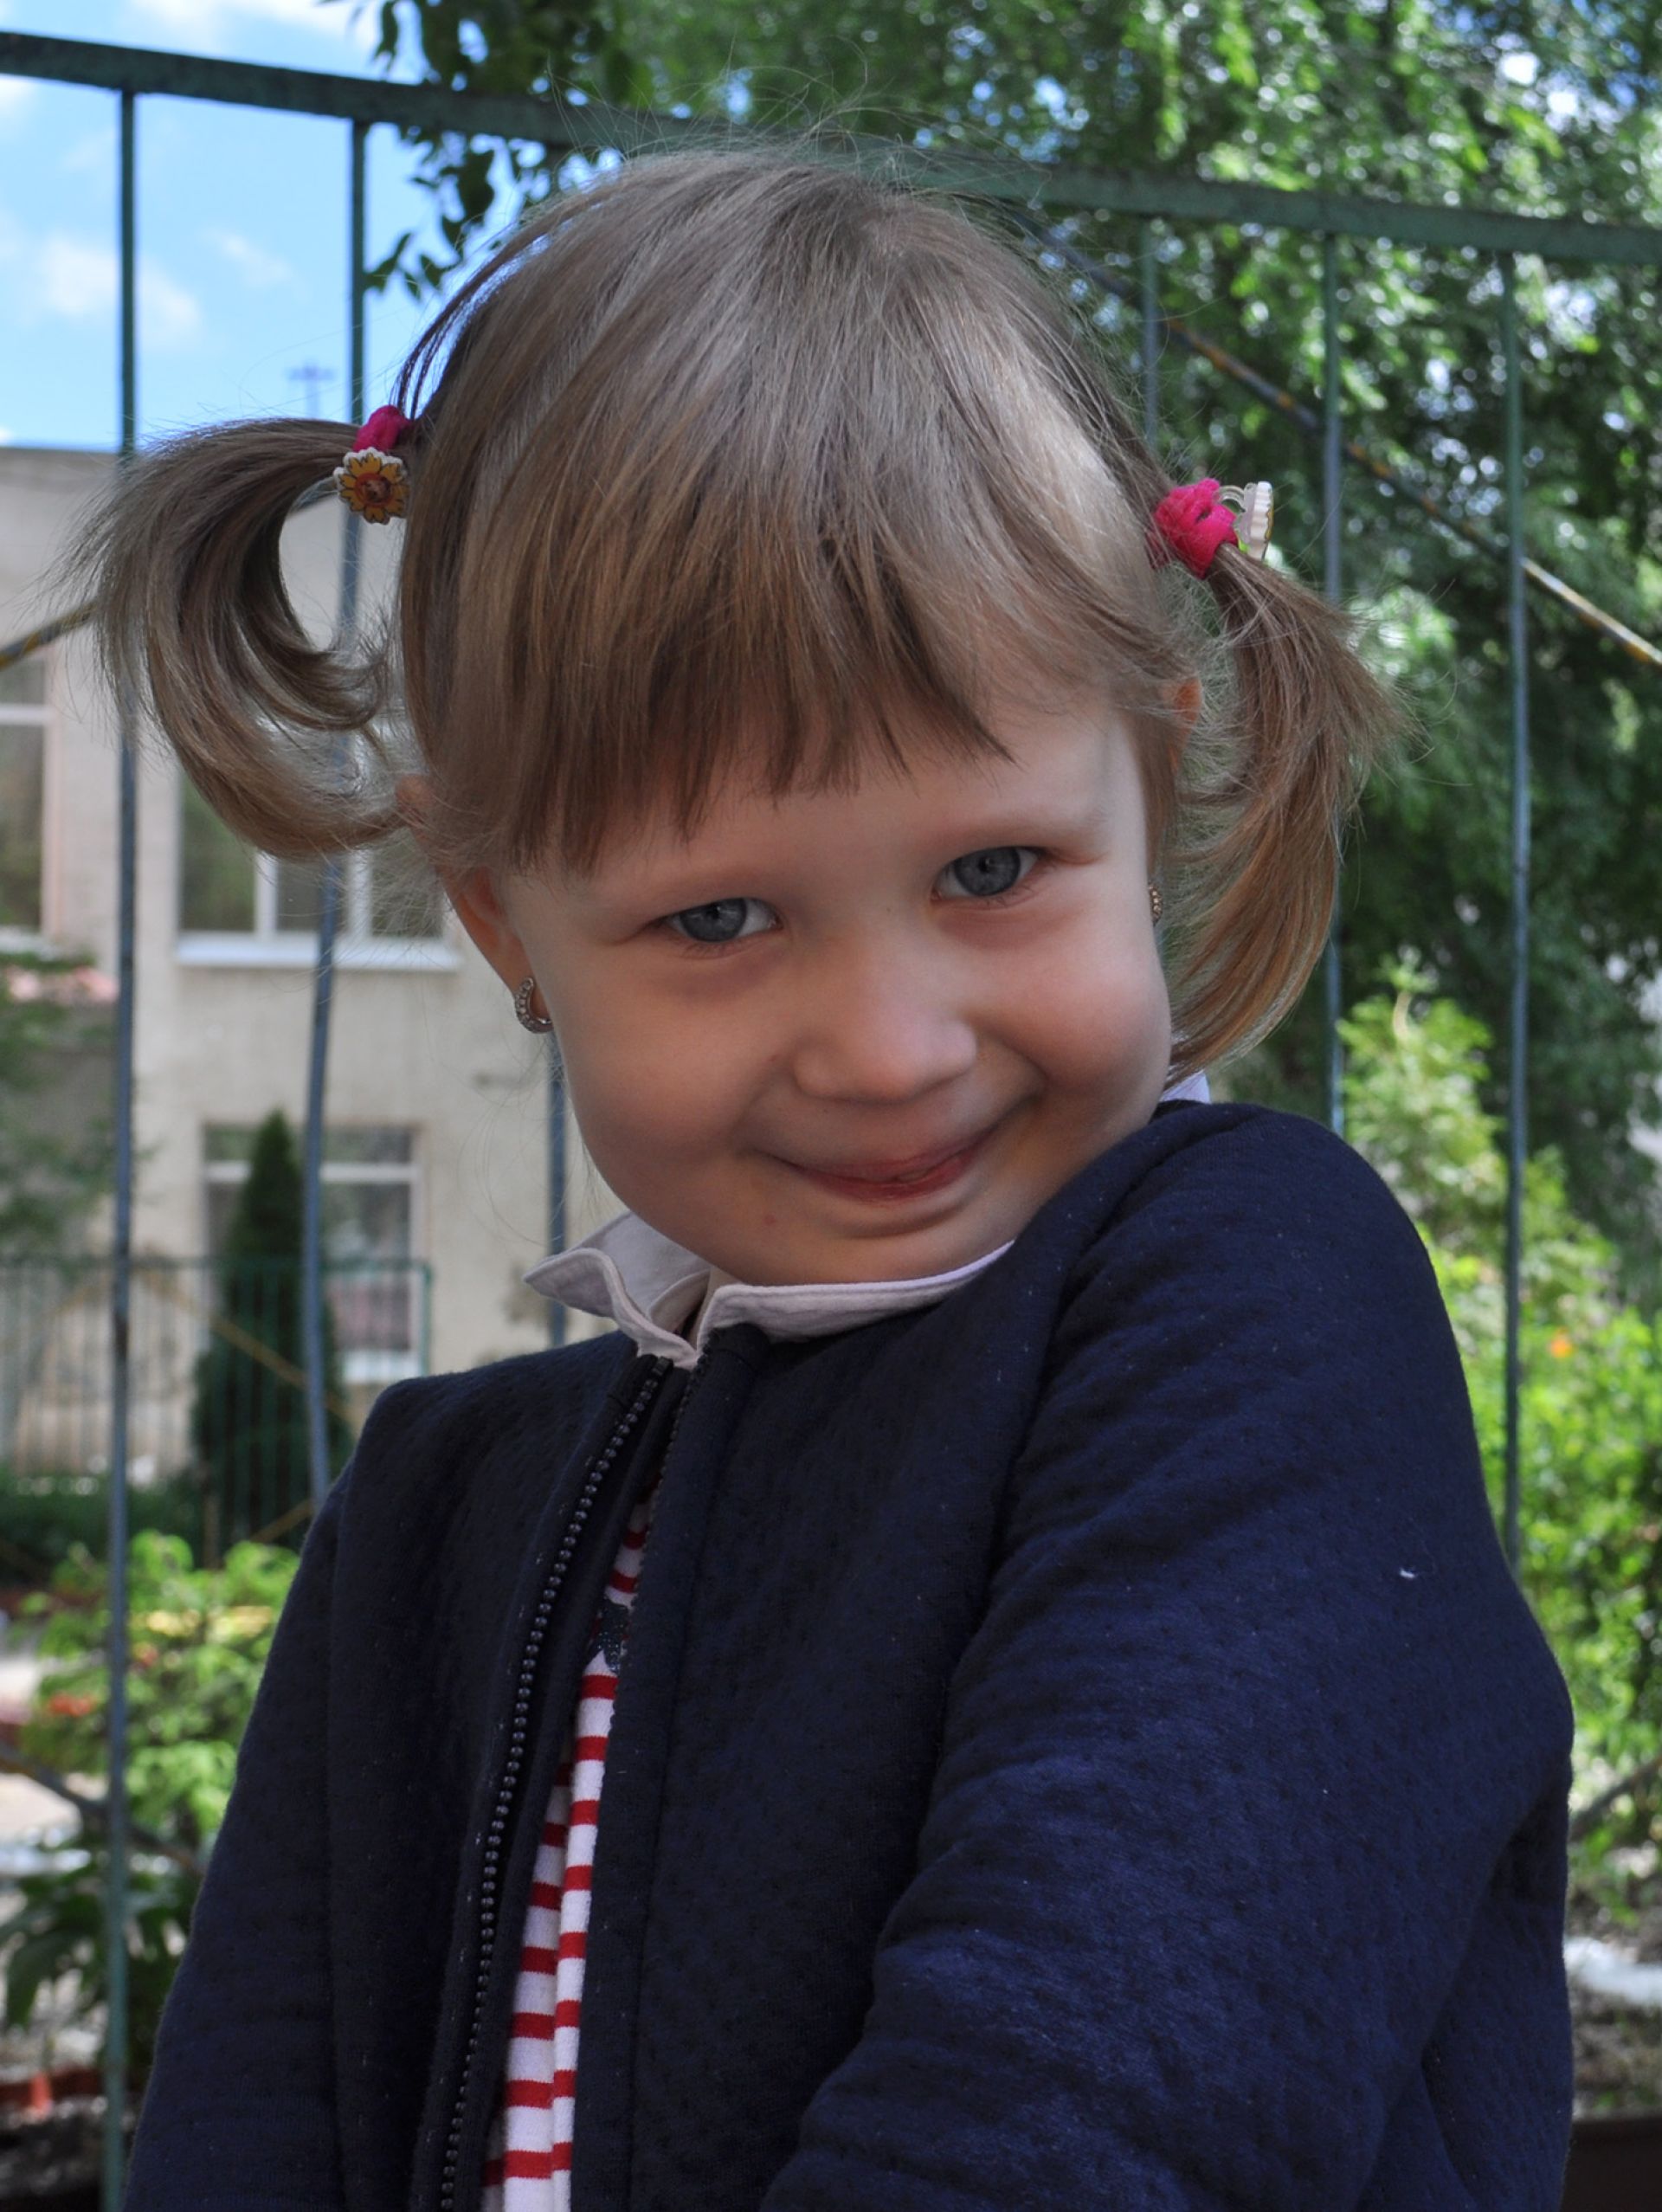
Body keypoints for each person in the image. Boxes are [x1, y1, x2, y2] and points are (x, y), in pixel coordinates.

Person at [87, 145, 1575, 2212]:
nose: (888, 1047)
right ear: (510, 927)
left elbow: (1099, 2111)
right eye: (718, 918)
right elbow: (243, 2135)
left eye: (993, 868)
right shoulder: (427, 1523)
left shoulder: (1253, 1306)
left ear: (1151, 790)